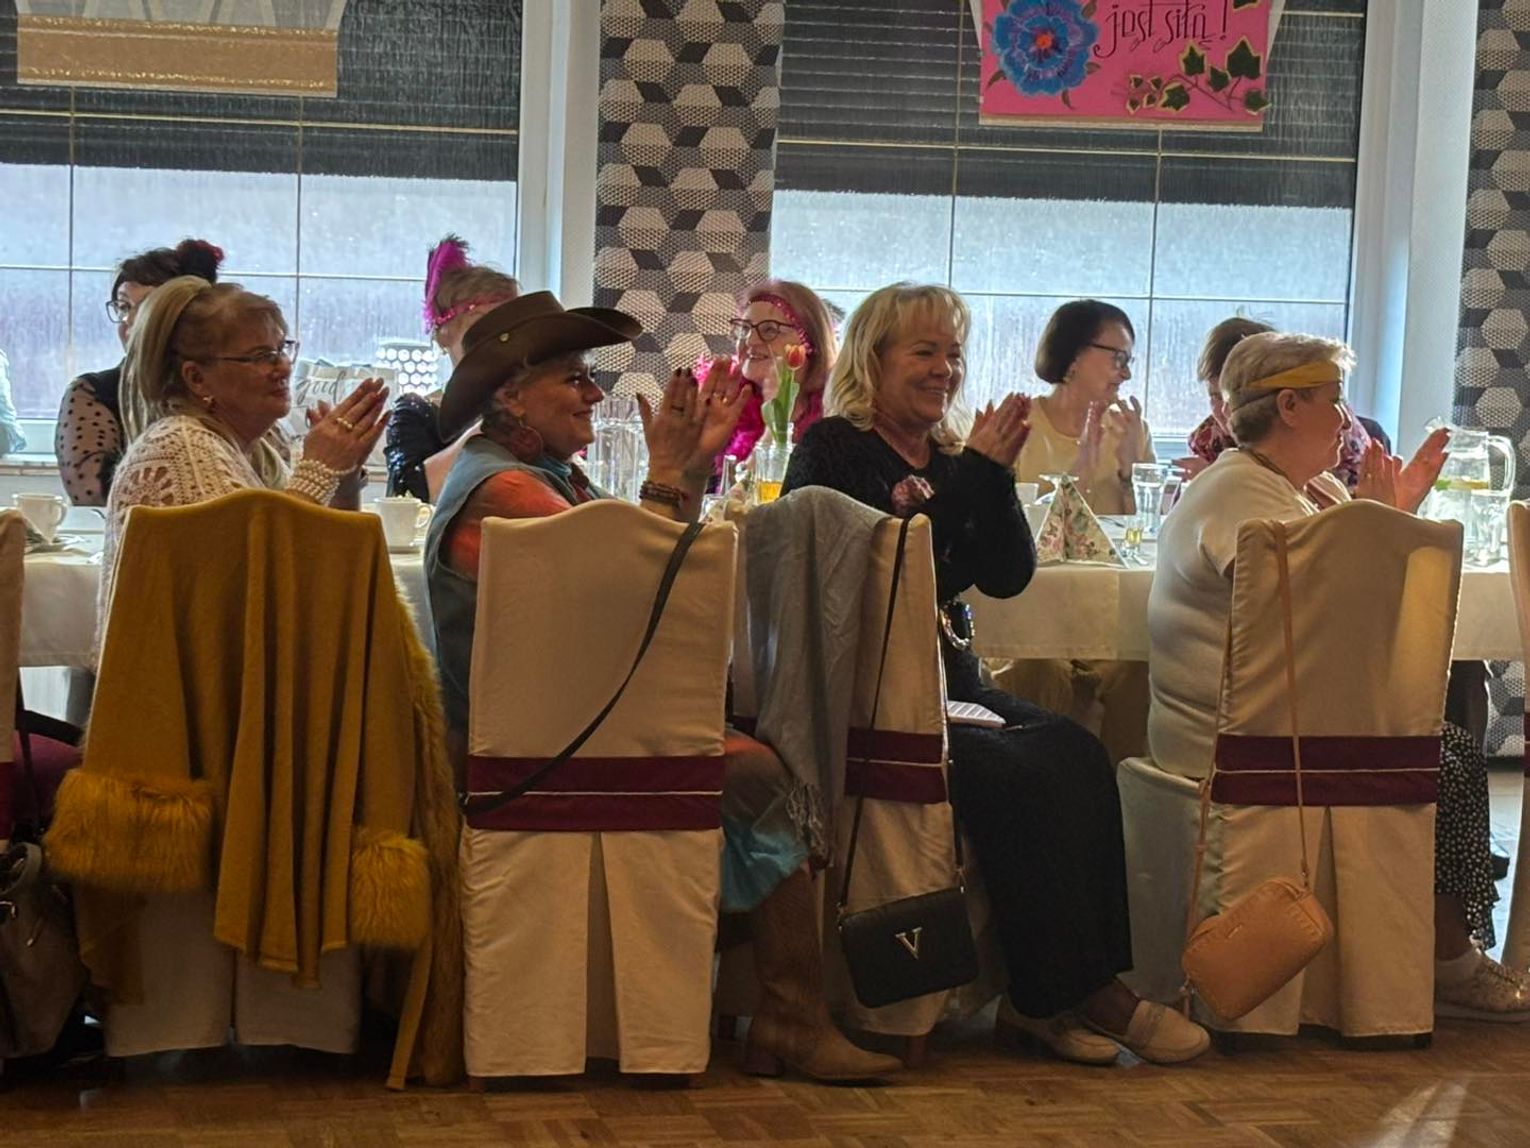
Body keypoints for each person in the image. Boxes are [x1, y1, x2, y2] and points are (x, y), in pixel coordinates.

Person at [424, 291, 903, 1082]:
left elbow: (645, 583)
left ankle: (728, 997)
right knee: (767, 776)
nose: (595, 392)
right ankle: (784, 1015)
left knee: (758, 762)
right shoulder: (506, 491)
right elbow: (642, 585)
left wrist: (690, 468)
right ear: (510, 396)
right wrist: (665, 473)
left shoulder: (532, 474)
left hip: (573, 727)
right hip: (541, 751)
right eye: (574, 378)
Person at [782, 281, 1210, 1066]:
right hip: (872, 691)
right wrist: (977, 474)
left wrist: (993, 477)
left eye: (953, 353)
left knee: (1077, 754)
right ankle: (1069, 1000)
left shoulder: (950, 455)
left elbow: (1007, 575)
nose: (944, 369)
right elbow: (890, 569)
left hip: (953, 678)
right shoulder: (833, 449)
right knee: (1016, 776)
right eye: (924, 351)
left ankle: (1061, 995)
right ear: (874, 359)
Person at [1148, 331, 1529, 1020]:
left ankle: (1439, 951)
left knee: (1446, 744)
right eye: (1334, 399)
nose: (1347, 419)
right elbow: (1320, 626)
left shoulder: (1301, 487)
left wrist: (1385, 520)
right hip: (1237, 734)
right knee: (1448, 756)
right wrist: (1379, 525)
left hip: (1277, 716)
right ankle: (1448, 959)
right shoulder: (1238, 495)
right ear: (1289, 406)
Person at [102, 276, 385, 622]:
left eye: (282, 349)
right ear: (196, 378)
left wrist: (344, 481)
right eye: (261, 357)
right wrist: (316, 473)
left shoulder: (262, 447)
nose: (284, 367)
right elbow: (249, 590)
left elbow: (327, 577)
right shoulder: (179, 447)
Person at [55, 238, 224, 505]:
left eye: (147, 307)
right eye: (123, 307)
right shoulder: (94, 392)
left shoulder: (224, 390)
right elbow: (93, 494)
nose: (129, 321)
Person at [1175, 316, 1389, 489]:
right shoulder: (1206, 439)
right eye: (1215, 396)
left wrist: (1217, 481)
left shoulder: (1335, 437)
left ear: (1288, 404)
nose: (1224, 410)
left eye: (1235, 398)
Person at [384, 235, 520, 501]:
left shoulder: (532, 407)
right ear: (443, 334)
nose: (499, 336)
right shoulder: (416, 413)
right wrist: (492, 424)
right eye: (483, 323)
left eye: (511, 324)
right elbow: (410, 498)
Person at [1015, 299, 1154, 515]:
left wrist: (1131, 475)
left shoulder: (1133, 432)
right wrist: (1082, 470)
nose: (1127, 374)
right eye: (1119, 358)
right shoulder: (1015, 428)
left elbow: (1153, 530)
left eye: (1128, 361)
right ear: (1074, 355)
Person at [715, 279, 838, 471]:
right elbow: (727, 491)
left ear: (810, 341)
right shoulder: (723, 404)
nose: (750, 341)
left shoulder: (838, 414)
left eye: (770, 329)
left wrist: (779, 420)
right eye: (745, 329)